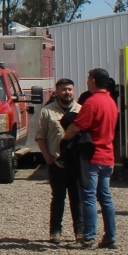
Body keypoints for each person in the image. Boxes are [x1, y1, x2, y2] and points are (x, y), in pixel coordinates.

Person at [62, 69, 119, 248]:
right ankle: (110, 236)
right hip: (108, 155)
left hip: (92, 156)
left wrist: (64, 140)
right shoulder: (111, 102)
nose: (86, 81)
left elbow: (77, 126)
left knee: (88, 197)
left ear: (93, 81)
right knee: (106, 198)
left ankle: (88, 237)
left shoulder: (92, 102)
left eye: (88, 78)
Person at [34, 79, 82, 244]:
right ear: (57, 91)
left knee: (77, 198)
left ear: (74, 91)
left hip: (76, 163)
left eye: (70, 89)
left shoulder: (81, 110)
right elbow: (40, 136)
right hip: (56, 162)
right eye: (63, 90)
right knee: (58, 198)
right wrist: (48, 158)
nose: (67, 92)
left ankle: (80, 232)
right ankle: (55, 231)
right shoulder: (48, 112)